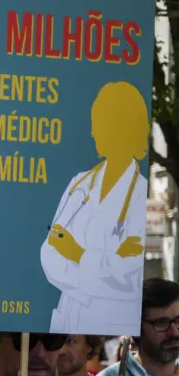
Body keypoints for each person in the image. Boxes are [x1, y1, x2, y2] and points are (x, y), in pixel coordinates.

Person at [42, 81, 150, 333]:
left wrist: (77, 253)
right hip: (68, 317)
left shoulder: (139, 194)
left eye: (100, 123)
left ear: (123, 127)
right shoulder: (79, 183)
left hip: (109, 327)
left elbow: (130, 277)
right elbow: (48, 256)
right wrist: (106, 266)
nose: (93, 132)